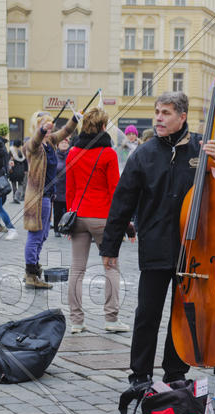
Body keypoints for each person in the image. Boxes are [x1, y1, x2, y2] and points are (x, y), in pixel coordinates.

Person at [100, 91, 215, 387]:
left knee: (183, 316)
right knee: (147, 314)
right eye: (157, 111)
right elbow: (122, 201)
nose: (159, 117)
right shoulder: (144, 154)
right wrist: (110, 246)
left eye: (166, 112)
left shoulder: (203, 147)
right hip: (156, 245)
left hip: (196, 248)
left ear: (182, 117)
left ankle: (175, 371)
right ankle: (140, 374)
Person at [65, 108, 130, 334]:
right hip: (103, 217)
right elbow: (115, 191)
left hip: (79, 216)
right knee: (111, 267)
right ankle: (111, 319)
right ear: (103, 127)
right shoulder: (108, 154)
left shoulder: (73, 152)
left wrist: (70, 216)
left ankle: (76, 321)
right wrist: (124, 223)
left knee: (76, 270)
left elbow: (70, 190)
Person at [23, 111, 78, 289]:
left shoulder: (52, 142)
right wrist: (41, 130)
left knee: (43, 234)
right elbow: (34, 142)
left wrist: (75, 118)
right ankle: (31, 274)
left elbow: (66, 131)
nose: (49, 127)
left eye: (49, 123)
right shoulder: (33, 145)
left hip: (48, 197)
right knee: (35, 235)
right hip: (38, 197)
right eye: (45, 124)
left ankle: (34, 268)